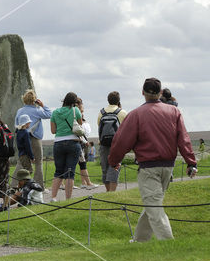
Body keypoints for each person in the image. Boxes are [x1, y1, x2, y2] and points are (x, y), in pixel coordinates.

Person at [109, 78, 197, 242]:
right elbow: (183, 139)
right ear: (160, 92)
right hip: (168, 167)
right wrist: (191, 162)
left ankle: (168, 243)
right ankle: (140, 240)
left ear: (142, 92)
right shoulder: (174, 112)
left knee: (154, 206)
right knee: (152, 203)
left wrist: (114, 161)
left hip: (148, 167)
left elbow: (121, 141)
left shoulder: (135, 115)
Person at [13, 90, 53, 190]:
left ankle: (14, 185)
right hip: (35, 137)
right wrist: (43, 105)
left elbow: (17, 125)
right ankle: (38, 186)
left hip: (22, 137)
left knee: (21, 161)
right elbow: (49, 114)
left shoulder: (19, 111)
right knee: (38, 162)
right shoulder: (37, 110)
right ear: (34, 100)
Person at [50, 92, 82, 202]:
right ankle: (68, 199)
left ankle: (53, 197)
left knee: (58, 171)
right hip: (73, 141)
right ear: (74, 102)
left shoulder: (55, 112)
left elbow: (53, 130)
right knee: (70, 172)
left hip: (58, 142)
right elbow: (79, 126)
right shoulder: (75, 110)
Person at [97, 91, 128, 192]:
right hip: (117, 145)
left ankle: (108, 191)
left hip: (103, 144)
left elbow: (99, 127)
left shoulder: (101, 113)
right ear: (118, 101)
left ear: (108, 100)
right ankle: (112, 192)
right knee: (114, 167)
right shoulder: (122, 113)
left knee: (105, 168)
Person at [76, 99, 98, 189]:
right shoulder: (77, 116)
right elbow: (79, 131)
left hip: (79, 142)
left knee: (81, 164)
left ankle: (84, 182)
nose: (83, 111)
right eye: (82, 109)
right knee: (82, 163)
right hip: (78, 142)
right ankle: (88, 183)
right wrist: (85, 141)